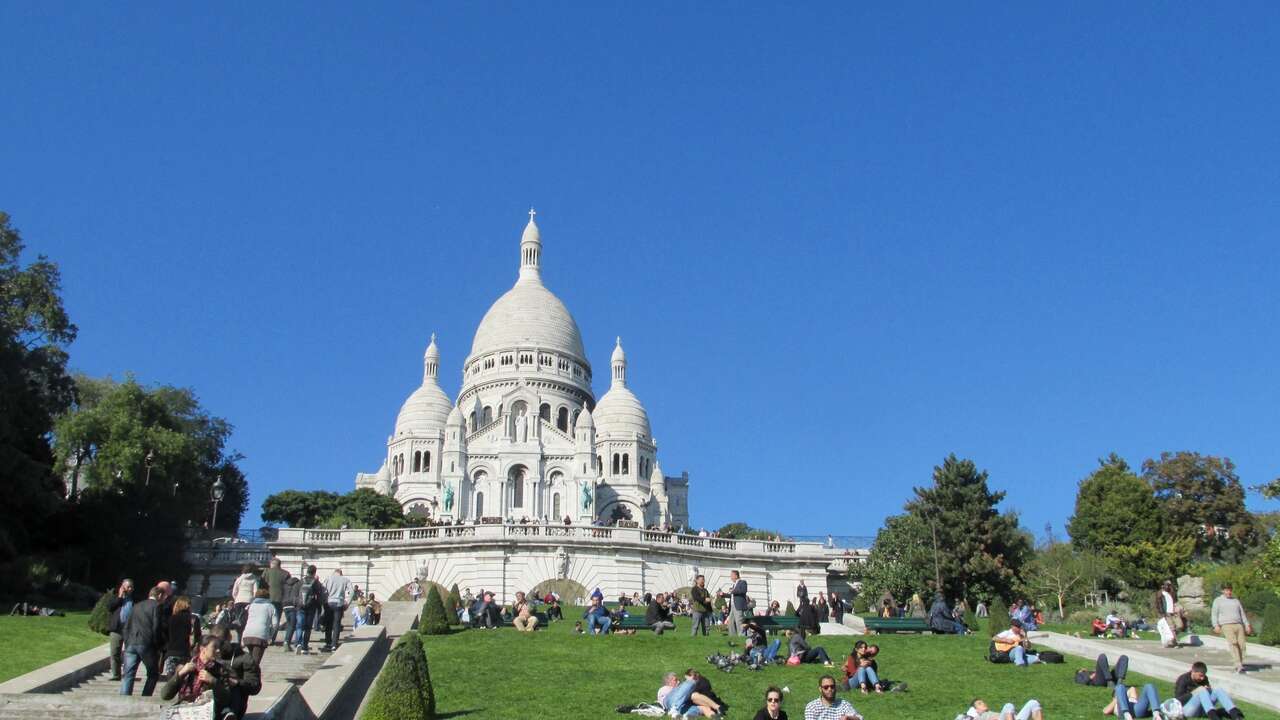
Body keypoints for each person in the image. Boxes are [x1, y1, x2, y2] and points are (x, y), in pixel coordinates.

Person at [202, 623, 262, 719]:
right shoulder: (205, 656)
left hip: (234, 703)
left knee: (232, 685)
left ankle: (228, 714)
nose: (218, 649)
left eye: (220, 643)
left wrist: (238, 682)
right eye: (214, 645)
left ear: (229, 638)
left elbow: (255, 686)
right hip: (210, 701)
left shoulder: (244, 658)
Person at [120, 586, 164, 696]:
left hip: (131, 642)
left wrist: (127, 641)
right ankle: (145, 696)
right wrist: (158, 645)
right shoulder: (157, 606)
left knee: (128, 674)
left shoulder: (137, 606)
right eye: (164, 597)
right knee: (153, 673)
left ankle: (124, 698)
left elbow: (126, 626)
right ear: (159, 595)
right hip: (146, 643)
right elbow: (156, 627)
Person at [160, 635, 222, 713]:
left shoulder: (220, 669)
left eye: (219, 648)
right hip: (185, 711)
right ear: (203, 649)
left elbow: (226, 699)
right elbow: (165, 695)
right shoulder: (186, 665)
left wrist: (213, 681)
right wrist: (180, 674)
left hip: (207, 712)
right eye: (215, 647)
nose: (218, 650)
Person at [1174, 661, 1243, 719]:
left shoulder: (1204, 679)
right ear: (1193, 671)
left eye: (1204, 675)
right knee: (1201, 690)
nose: (1202, 678)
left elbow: (1206, 697)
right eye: (1200, 675)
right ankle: (1213, 716)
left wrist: (1209, 691)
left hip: (1202, 709)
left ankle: (1235, 714)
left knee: (1217, 689)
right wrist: (1194, 693)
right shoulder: (1183, 679)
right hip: (1187, 710)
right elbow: (1177, 701)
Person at [1211, 584, 1253, 674]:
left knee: (1242, 645)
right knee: (1233, 643)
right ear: (1223, 591)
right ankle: (1238, 665)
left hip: (1238, 625)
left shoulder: (1236, 601)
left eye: (1230, 590)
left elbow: (1242, 614)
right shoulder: (1218, 601)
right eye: (1226, 590)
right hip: (1226, 625)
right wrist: (1216, 625)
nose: (1229, 592)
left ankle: (1240, 662)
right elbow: (1214, 614)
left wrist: (1247, 625)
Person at [657, 670, 724, 718]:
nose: (679, 681)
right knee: (691, 682)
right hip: (671, 704)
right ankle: (675, 708)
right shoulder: (665, 688)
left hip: (682, 707)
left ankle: (717, 717)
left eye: (678, 679)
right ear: (668, 682)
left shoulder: (681, 690)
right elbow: (664, 701)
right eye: (675, 680)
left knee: (704, 708)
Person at [163, 596, 201, 677]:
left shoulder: (170, 619)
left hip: (171, 653)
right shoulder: (194, 619)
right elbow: (198, 636)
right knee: (184, 681)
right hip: (187, 653)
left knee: (171, 683)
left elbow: (165, 636)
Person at [241, 587, 278, 666]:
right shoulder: (270, 606)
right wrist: (270, 635)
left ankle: (249, 675)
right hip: (260, 635)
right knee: (255, 663)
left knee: (252, 660)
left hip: (247, 634)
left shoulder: (250, 606)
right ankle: (251, 677)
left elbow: (245, 621)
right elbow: (275, 624)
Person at [107, 578, 135, 681]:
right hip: (117, 629)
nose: (130, 589)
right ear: (123, 587)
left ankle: (127, 673)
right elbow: (110, 607)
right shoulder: (116, 598)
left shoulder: (134, 599)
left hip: (129, 629)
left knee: (129, 653)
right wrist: (120, 596)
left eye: (131, 587)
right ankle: (116, 674)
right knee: (115, 652)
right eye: (128, 587)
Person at [293, 565, 323, 655]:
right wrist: (319, 606)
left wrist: (296, 604)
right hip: (311, 608)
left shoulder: (300, 581)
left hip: (300, 607)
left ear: (307, 571)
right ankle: (305, 646)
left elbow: (295, 594)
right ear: (314, 572)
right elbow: (319, 595)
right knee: (307, 628)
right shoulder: (316, 582)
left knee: (299, 626)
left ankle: (298, 643)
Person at [322, 568, 351, 651]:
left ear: (334, 573)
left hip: (329, 603)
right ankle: (334, 644)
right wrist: (347, 603)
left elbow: (323, 591)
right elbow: (352, 592)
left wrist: (324, 601)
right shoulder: (345, 580)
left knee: (328, 623)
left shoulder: (328, 579)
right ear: (341, 574)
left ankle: (328, 642)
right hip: (339, 603)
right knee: (337, 624)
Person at [262, 558, 290, 642]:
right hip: (280, 599)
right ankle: (272, 638)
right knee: (276, 619)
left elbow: (261, 585)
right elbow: (288, 588)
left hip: (267, 599)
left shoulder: (266, 571)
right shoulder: (286, 574)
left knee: (265, 618)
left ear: (273, 564)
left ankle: (264, 636)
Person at [229, 565, 258, 636]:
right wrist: (253, 600)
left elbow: (234, 592)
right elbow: (255, 591)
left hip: (238, 600)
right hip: (248, 601)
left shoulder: (239, 579)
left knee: (238, 618)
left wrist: (236, 599)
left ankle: (239, 634)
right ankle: (244, 633)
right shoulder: (254, 579)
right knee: (246, 618)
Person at [720, 570, 748, 636]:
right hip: (732, 606)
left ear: (736, 575)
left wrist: (733, 590)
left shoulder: (743, 582)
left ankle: (741, 636)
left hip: (738, 605)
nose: (731, 577)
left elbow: (743, 591)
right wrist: (723, 594)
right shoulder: (734, 584)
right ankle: (733, 636)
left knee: (739, 622)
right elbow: (732, 595)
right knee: (730, 622)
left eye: (731, 576)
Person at [964, 698, 1044, 720]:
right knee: (1008, 705)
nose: (983, 703)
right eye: (979, 704)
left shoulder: (991, 712)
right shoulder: (978, 717)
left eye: (983, 702)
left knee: (1033, 702)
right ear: (976, 710)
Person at [1154, 581, 1179, 648]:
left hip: (1173, 612)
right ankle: (1170, 642)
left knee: (1177, 626)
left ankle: (1173, 641)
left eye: (1169, 585)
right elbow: (1158, 604)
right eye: (1166, 585)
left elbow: (1175, 601)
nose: (1168, 586)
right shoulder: (1160, 593)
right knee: (1169, 627)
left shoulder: (1171, 593)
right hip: (1166, 613)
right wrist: (1162, 613)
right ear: (1163, 586)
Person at [279, 574, 299, 651]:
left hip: (285, 605)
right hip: (293, 605)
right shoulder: (297, 584)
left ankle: (287, 642)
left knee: (289, 623)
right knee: (292, 625)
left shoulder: (284, 585)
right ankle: (287, 642)